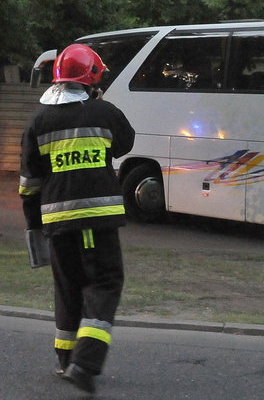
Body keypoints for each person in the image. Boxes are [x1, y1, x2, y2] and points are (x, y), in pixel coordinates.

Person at [18, 43, 135, 394]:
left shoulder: (38, 121)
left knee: (68, 289)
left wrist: (35, 227)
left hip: (56, 223)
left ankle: (65, 359)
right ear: (92, 78)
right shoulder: (106, 112)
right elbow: (124, 144)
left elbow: (28, 186)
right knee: (104, 283)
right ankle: (85, 364)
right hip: (98, 221)